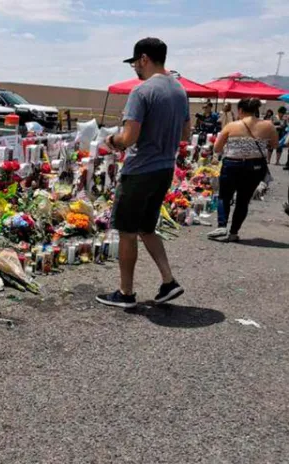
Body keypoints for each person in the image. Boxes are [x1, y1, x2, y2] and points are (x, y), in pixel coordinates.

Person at [98, 38, 189, 309]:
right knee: (146, 228)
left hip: (139, 171)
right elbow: (185, 134)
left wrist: (112, 141)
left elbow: (130, 137)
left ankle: (125, 293)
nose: (135, 68)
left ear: (144, 59)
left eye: (135, 62)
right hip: (164, 169)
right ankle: (168, 281)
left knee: (127, 231)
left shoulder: (142, 91)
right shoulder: (179, 90)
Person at [207, 98, 277, 242]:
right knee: (243, 200)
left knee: (224, 196)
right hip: (255, 166)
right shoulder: (268, 125)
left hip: (232, 164)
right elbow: (274, 145)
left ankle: (221, 226)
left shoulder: (231, 126)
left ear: (240, 110)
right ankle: (233, 232)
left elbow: (217, 148)